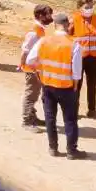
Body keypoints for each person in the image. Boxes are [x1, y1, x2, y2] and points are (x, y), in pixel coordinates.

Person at [25, 13, 86, 159]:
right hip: (67, 87)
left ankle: (53, 148)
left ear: (54, 25)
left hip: (48, 85)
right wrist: (75, 86)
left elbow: (30, 60)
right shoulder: (73, 44)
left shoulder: (44, 41)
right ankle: (71, 150)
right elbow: (77, 71)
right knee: (70, 119)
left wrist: (39, 72)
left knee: (50, 118)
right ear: (68, 26)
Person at [70, 0, 96, 119]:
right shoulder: (74, 20)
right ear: (80, 7)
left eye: (91, 7)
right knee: (77, 84)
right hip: (78, 58)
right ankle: (73, 110)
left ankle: (92, 110)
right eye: (87, 7)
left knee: (92, 85)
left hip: (93, 58)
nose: (90, 9)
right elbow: (68, 37)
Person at [19, 5, 54, 132]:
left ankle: (32, 117)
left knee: (35, 93)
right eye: (48, 15)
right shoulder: (34, 32)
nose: (51, 17)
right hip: (31, 68)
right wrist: (22, 64)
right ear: (40, 16)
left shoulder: (40, 29)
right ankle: (27, 121)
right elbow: (25, 50)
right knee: (31, 95)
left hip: (36, 68)